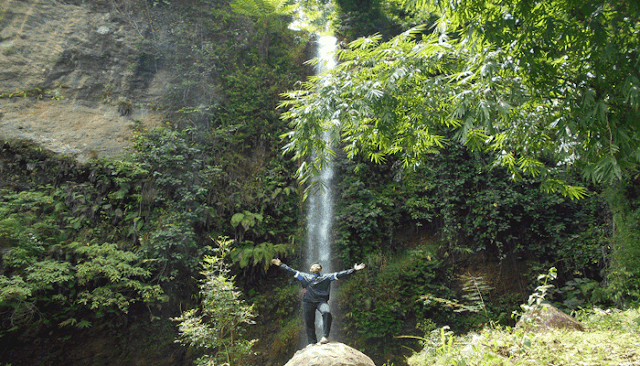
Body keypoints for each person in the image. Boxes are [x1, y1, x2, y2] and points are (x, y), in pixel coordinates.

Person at [270, 258, 366, 345]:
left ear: (320, 269)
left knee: (327, 312)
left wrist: (354, 270)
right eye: (314, 265)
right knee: (309, 322)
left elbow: (340, 274)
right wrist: (281, 264)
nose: (316, 265)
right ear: (310, 269)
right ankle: (312, 343)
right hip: (308, 302)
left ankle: (325, 336)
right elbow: (291, 271)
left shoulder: (326, 277)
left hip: (321, 301)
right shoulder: (303, 276)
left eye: (318, 266)